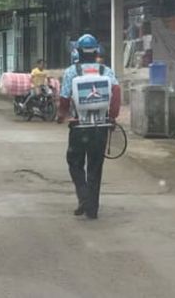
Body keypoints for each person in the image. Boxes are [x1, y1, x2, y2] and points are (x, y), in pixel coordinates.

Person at [57, 34, 121, 219]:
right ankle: (92, 209)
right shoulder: (105, 71)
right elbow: (116, 93)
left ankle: (83, 195)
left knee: (75, 162)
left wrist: (62, 115)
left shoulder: (72, 72)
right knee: (95, 166)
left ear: (78, 51)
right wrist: (113, 117)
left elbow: (64, 98)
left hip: (79, 126)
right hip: (100, 126)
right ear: (96, 51)